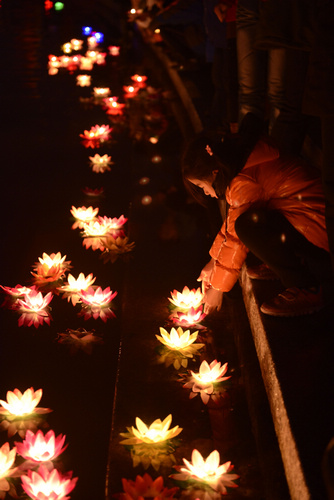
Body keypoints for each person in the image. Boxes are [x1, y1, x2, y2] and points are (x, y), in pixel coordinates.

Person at [181, 125, 333, 317]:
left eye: (202, 186)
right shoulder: (245, 165)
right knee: (245, 222)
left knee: (247, 226)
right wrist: (214, 261)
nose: (205, 192)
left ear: (214, 173)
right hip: (310, 222)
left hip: (320, 232)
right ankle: (282, 263)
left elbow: (235, 236)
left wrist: (218, 289)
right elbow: (231, 220)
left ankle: (307, 288)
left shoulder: (243, 180)